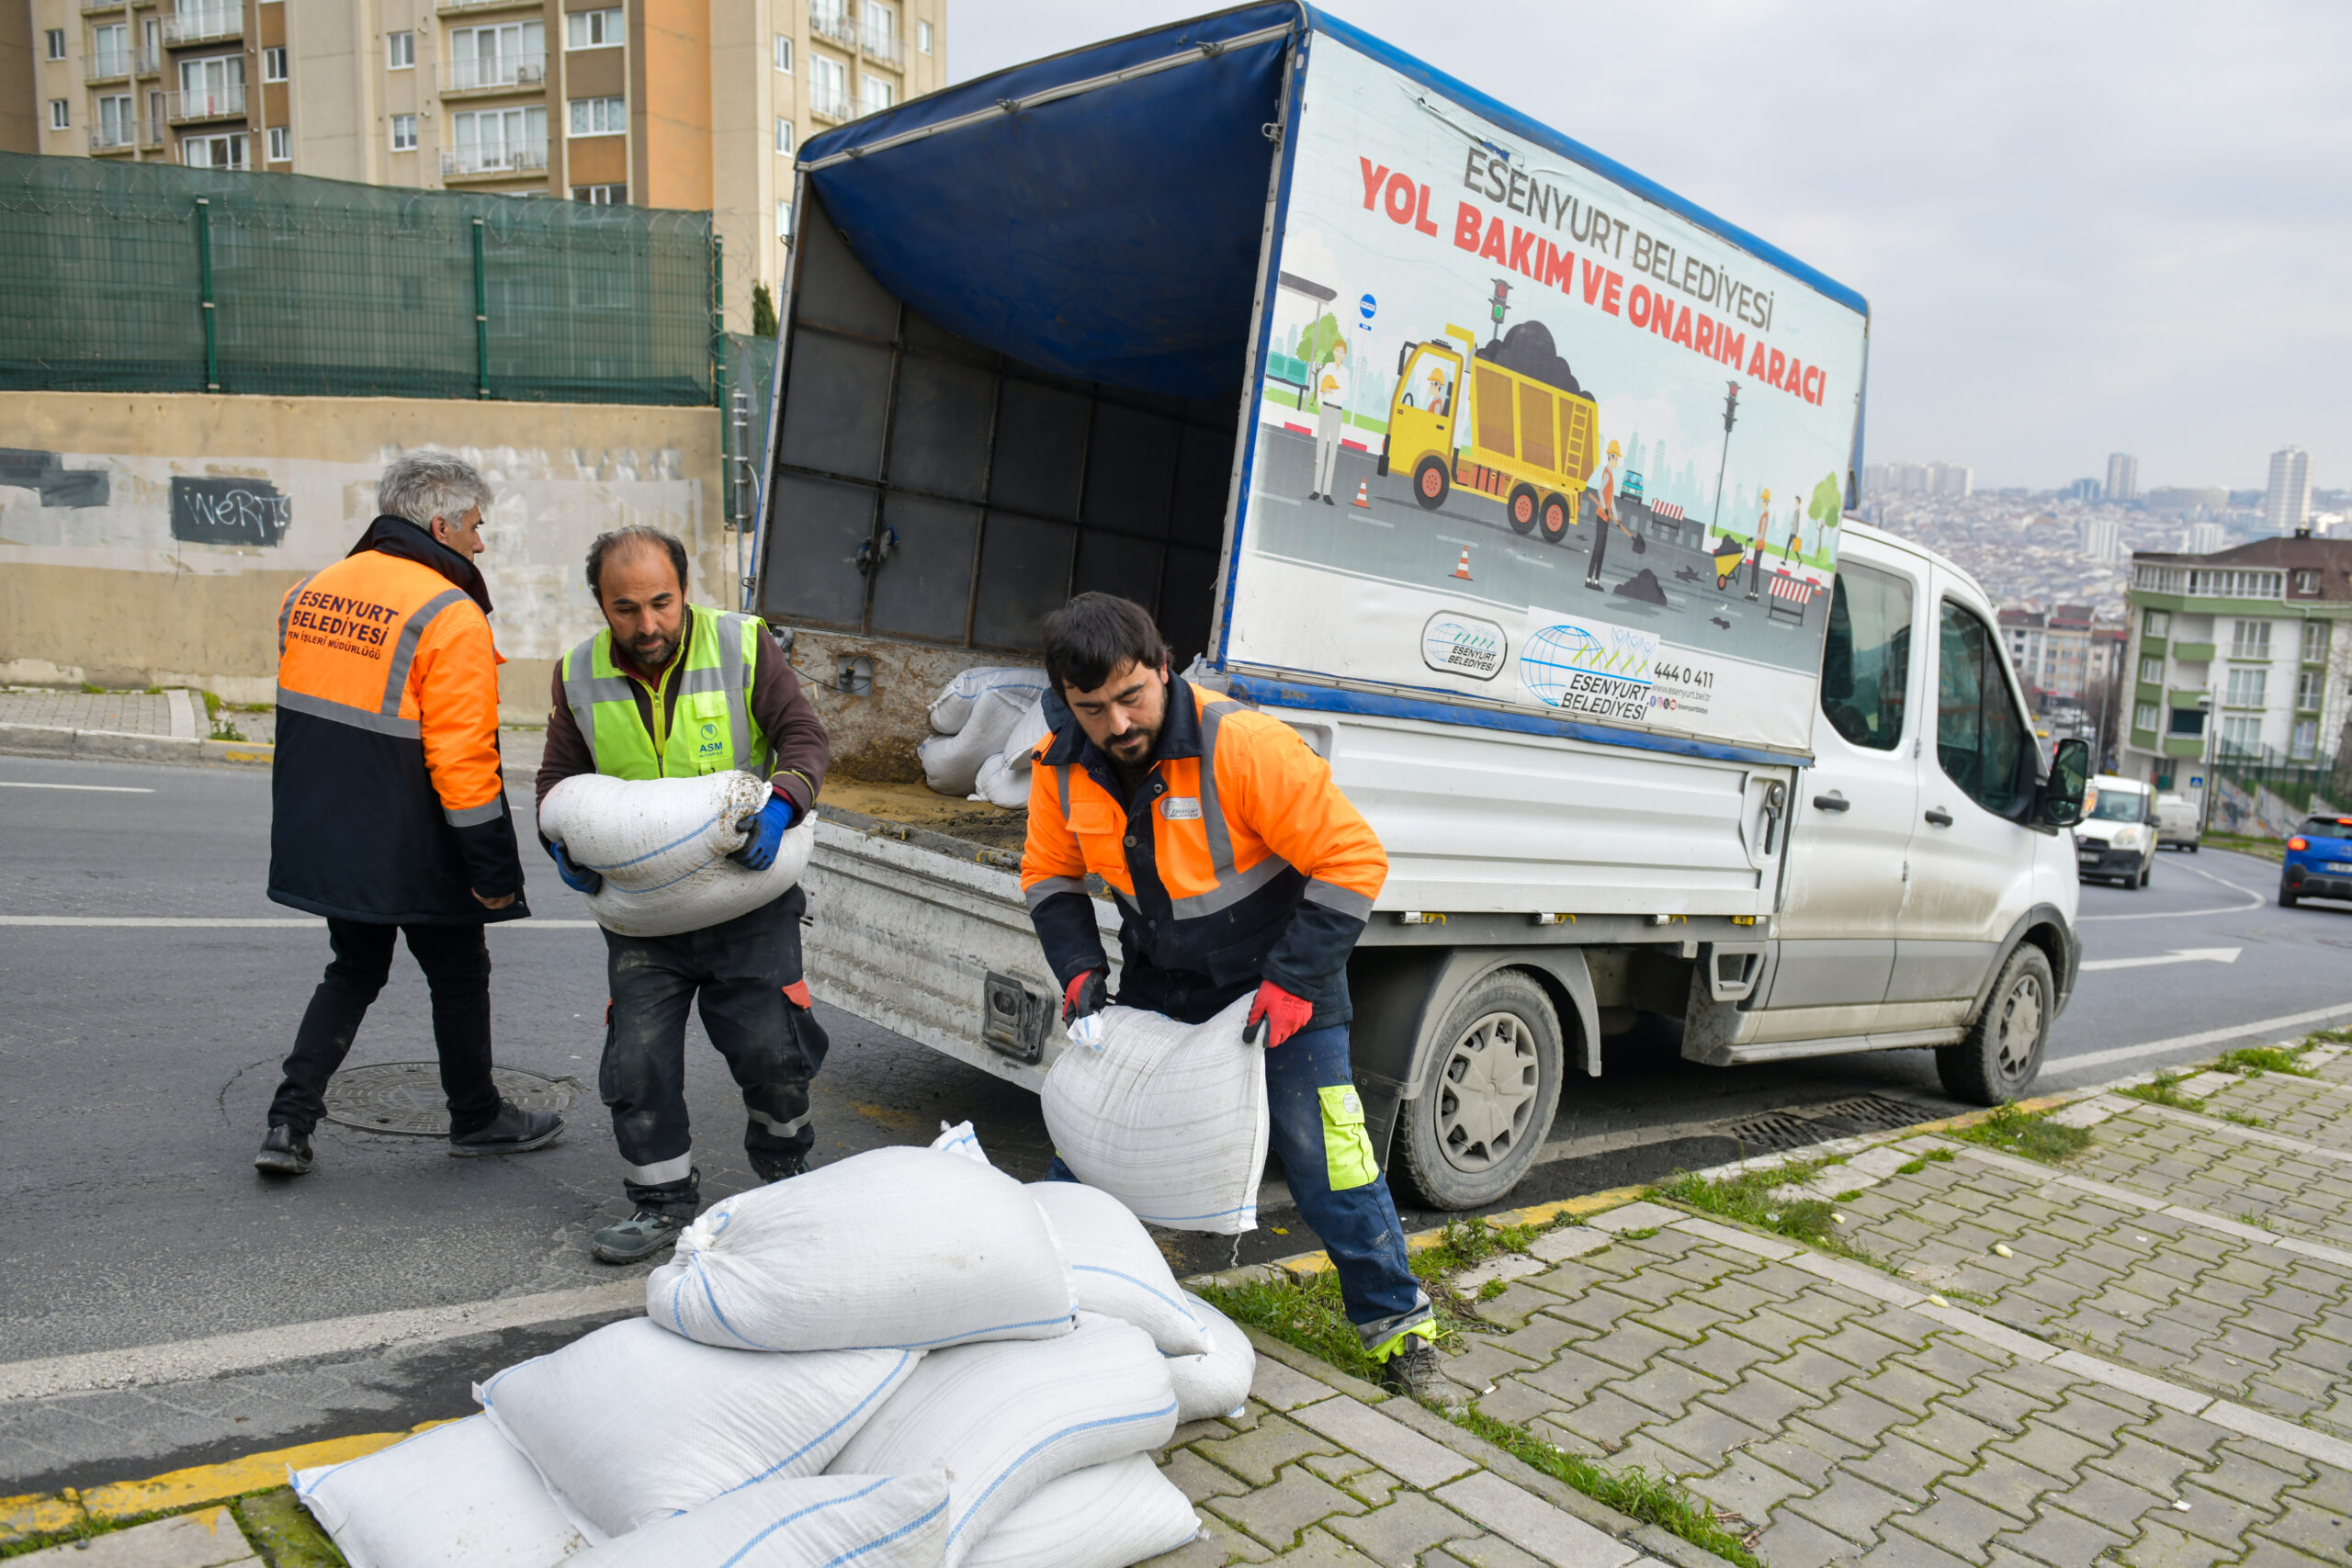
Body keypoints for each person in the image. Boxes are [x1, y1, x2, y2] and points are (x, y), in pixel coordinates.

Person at [1018, 593, 1449, 1400]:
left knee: (1330, 1162)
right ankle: (1047, 1302)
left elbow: (1353, 859)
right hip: (1161, 980)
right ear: (1066, 702)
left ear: (1163, 666)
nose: (1116, 724)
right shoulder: (1061, 763)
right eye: (1092, 708)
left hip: (1282, 983)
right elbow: (1048, 873)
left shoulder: (1241, 744)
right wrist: (1078, 969)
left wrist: (1294, 981)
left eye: (1130, 696)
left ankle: (1402, 1331)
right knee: (1091, 1143)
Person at [255, 451, 560, 1176]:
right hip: (416, 843)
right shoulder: (450, 615)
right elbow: (463, 763)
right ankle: (478, 1117)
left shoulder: (310, 593)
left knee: (353, 969)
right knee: (459, 973)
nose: (480, 543)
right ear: (440, 523)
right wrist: (493, 872)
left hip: (333, 832)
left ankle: (288, 1121)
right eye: (477, 527)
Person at [536, 525, 832, 1264]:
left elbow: (804, 738)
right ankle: (659, 1201)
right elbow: (557, 781)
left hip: (746, 898)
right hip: (644, 917)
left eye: (662, 603)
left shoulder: (740, 645)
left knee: (770, 1047)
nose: (648, 625)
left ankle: (785, 1177)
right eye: (626, 607)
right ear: (600, 604)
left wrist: (781, 805)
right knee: (636, 1063)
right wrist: (561, 844)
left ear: (685, 588)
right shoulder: (577, 673)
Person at [1306, 337, 1351, 505]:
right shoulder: (1327, 368)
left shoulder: (1346, 373)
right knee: (1320, 450)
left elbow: (1345, 395)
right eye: (1337, 351)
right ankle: (1316, 489)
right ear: (1334, 351)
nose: (1339, 354)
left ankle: (1327, 492)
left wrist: (1333, 393)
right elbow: (1319, 389)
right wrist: (1320, 404)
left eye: (1342, 352)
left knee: (1332, 452)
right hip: (1325, 408)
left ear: (1345, 354)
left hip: (1337, 411)